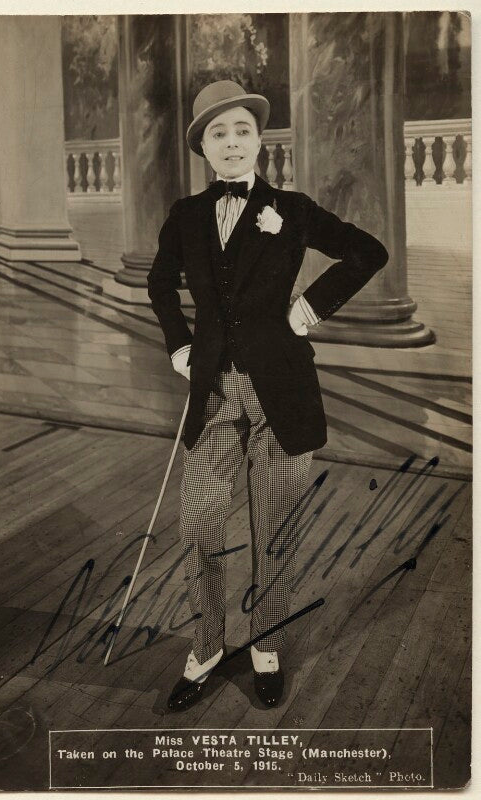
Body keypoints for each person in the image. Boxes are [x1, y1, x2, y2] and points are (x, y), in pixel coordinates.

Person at [147, 80, 388, 712]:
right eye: (218, 133)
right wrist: (178, 347)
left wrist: (310, 308)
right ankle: (206, 646)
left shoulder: (293, 209)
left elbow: (368, 252)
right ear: (203, 148)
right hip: (214, 395)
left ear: (259, 141)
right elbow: (159, 284)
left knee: (275, 528)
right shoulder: (185, 216)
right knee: (199, 523)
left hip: (283, 392)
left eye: (242, 131)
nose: (231, 143)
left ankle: (265, 646)